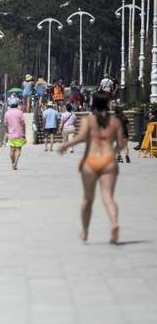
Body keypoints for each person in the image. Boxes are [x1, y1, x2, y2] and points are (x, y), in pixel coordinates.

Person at [59, 92, 123, 244]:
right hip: (108, 160)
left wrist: (65, 145)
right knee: (108, 196)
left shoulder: (89, 120)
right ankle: (114, 223)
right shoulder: (115, 122)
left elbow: (81, 138)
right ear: (108, 104)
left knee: (88, 199)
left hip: (91, 161)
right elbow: (121, 144)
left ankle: (85, 231)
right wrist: (113, 154)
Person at [4, 98, 26, 170]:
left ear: (10, 105)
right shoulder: (20, 112)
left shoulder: (7, 113)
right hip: (19, 134)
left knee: (12, 150)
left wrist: (7, 132)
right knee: (18, 150)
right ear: (17, 105)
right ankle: (15, 164)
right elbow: (23, 124)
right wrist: (24, 133)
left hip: (11, 134)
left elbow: (5, 124)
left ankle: (12, 162)